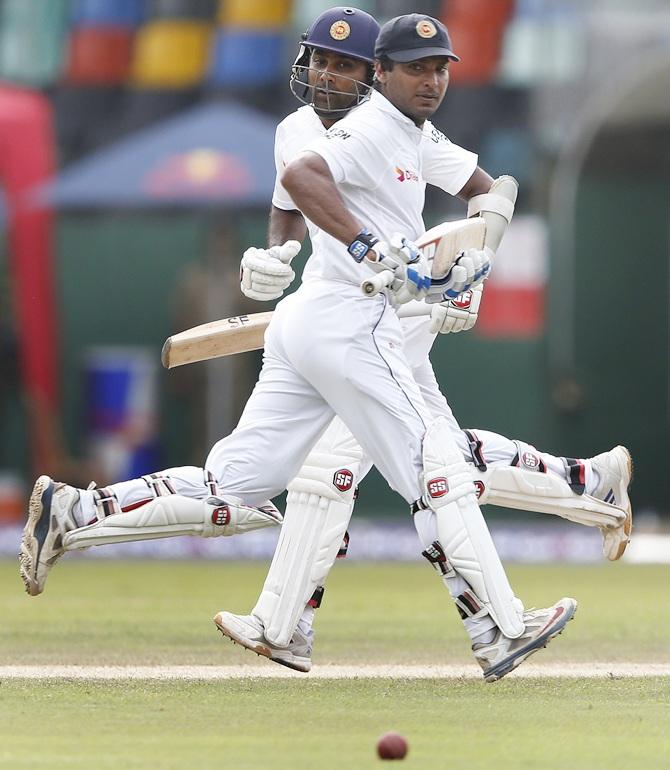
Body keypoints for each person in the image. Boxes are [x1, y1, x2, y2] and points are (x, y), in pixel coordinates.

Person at [19, 10, 628, 684]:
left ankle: (75, 513)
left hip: (333, 321)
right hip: (354, 321)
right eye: (319, 61)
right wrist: (336, 248)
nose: (327, 74)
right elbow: (304, 183)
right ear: (383, 75)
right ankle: (501, 627)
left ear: (373, 74)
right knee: (434, 472)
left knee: (240, 485)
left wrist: (471, 266)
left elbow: (490, 191)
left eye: (436, 69)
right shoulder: (358, 129)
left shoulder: (406, 128)